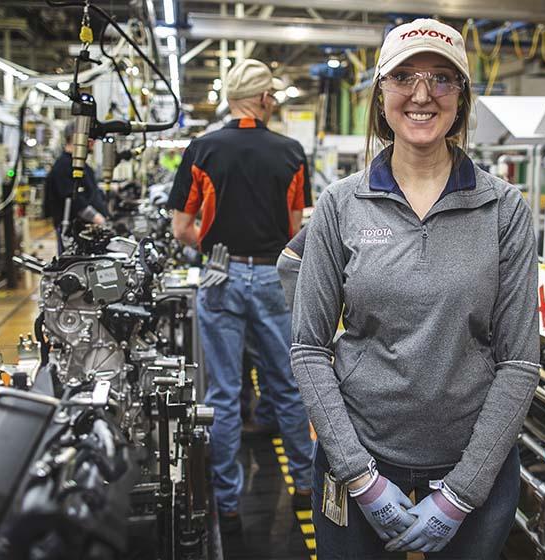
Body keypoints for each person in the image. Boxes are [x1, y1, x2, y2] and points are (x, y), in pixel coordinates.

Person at [291, 18, 539, 558]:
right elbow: (308, 348)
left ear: (461, 97)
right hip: (359, 456)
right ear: (381, 95)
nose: (422, 94)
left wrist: (461, 494)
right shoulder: (341, 205)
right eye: (404, 77)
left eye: (442, 78)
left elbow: (519, 361)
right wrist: (359, 478)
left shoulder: (504, 210)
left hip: (472, 464)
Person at [168, 59, 315, 534]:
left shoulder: (203, 149)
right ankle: (306, 486)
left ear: (231, 99)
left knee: (225, 393)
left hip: (220, 274)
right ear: (265, 99)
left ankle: (227, 503)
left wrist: (213, 248)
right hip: (274, 275)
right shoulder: (291, 152)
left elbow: (181, 228)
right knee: (288, 386)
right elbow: (295, 231)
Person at [43, 122, 109, 252]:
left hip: (88, 232)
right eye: (90, 138)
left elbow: (90, 190)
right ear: (76, 138)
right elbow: (74, 199)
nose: (93, 142)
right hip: (76, 234)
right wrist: (98, 219)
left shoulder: (80, 165)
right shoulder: (63, 166)